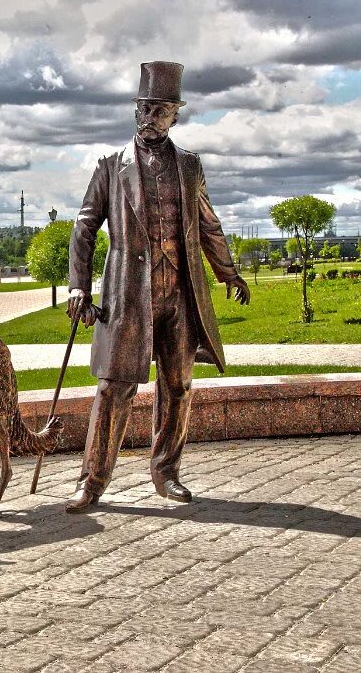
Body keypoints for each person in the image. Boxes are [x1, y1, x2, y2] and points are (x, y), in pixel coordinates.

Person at [65, 61, 251, 513]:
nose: (150, 117)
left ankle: (166, 473)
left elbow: (207, 224)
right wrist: (78, 288)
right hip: (129, 294)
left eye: (160, 110)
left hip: (180, 295)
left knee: (178, 385)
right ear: (136, 111)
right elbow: (85, 226)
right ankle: (92, 481)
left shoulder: (190, 166)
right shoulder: (111, 167)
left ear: (175, 115)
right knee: (114, 387)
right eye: (144, 108)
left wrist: (228, 272)